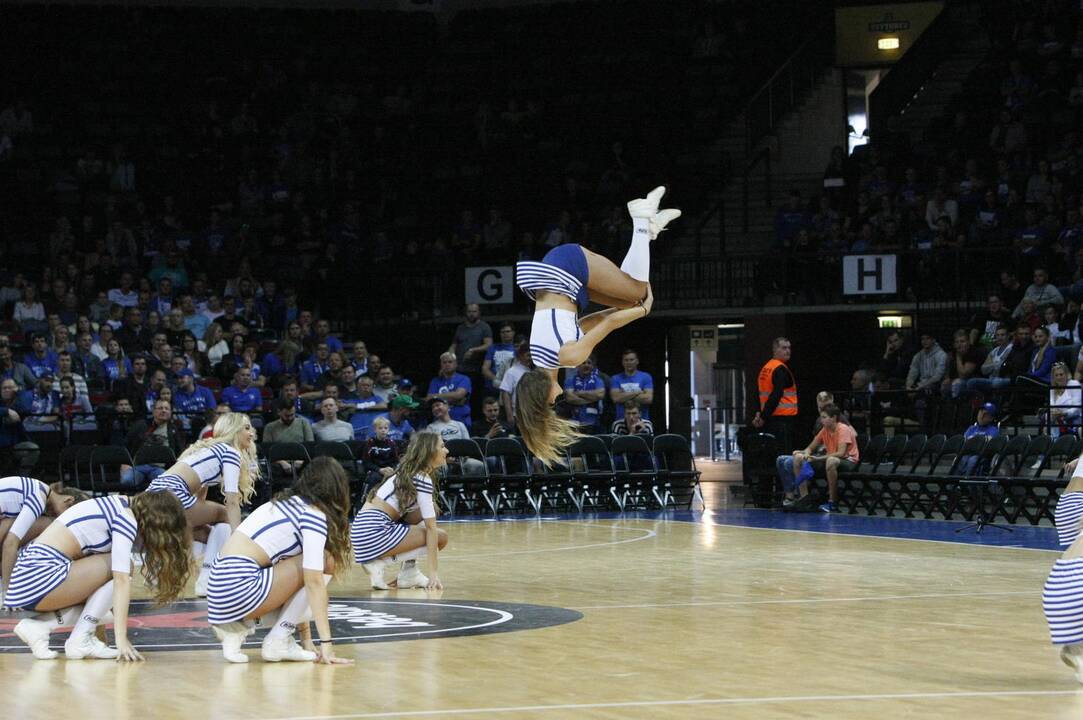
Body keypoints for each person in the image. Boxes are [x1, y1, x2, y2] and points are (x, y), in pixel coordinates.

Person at [512, 187, 679, 465]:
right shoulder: (544, 358)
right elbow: (586, 323)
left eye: (551, 403)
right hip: (561, 274)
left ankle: (640, 220)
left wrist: (643, 311)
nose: (558, 400)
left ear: (545, 393)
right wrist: (631, 309)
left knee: (637, 292)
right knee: (629, 297)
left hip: (568, 268)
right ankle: (648, 230)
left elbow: (611, 323)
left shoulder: (569, 357)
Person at [6, 492, 190, 661]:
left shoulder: (115, 506)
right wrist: (121, 640)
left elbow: (100, 591)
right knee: (124, 567)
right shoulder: (126, 517)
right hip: (38, 576)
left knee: (103, 611)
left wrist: (102, 641)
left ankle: (40, 628)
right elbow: (121, 580)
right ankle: (78, 640)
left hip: (29, 580)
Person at [207, 458, 353, 665]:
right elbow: (313, 582)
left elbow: (296, 581)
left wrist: (306, 640)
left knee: (309, 565)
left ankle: (238, 628)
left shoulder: (284, 504)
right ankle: (277, 640)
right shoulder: (313, 515)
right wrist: (326, 644)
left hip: (219, 597)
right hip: (241, 588)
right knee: (325, 561)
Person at [145, 413, 259, 595]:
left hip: (152, 498)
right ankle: (207, 579)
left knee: (206, 533)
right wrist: (238, 537)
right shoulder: (230, 452)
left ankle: (160, 572)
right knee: (225, 516)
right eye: (246, 428)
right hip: (171, 497)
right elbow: (231, 501)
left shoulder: (209, 449)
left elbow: (199, 498)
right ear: (233, 431)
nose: (252, 433)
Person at [351, 431, 449, 590]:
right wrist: (433, 574)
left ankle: (409, 572)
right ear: (429, 451)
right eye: (442, 446)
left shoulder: (406, 473)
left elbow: (411, 519)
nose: (447, 451)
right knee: (441, 537)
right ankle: (379, 563)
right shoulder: (422, 478)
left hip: (361, 532)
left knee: (429, 511)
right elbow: (431, 529)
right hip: (374, 531)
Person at [0, 478, 88, 606]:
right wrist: (8, 594)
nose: (64, 522)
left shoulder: (39, 491)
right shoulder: (38, 497)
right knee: (47, 524)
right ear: (68, 500)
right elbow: (10, 544)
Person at [781, 405, 859, 512]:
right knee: (798, 457)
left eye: (824, 417)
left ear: (834, 418)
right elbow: (810, 447)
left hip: (848, 460)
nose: (821, 420)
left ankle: (833, 502)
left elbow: (840, 453)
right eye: (821, 417)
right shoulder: (825, 429)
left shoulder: (843, 429)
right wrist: (805, 454)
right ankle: (804, 498)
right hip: (829, 459)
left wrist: (818, 459)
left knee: (831, 461)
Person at [122, 398, 186, 486]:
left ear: (170, 412)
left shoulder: (173, 429)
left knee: (165, 483)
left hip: (159, 468)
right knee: (127, 480)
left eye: (166, 408)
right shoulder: (141, 425)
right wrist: (125, 464)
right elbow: (127, 444)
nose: (163, 410)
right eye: (160, 408)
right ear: (153, 411)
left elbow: (180, 451)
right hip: (138, 467)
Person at [752, 337, 799, 453]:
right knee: (784, 455)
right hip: (782, 420)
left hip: (770, 418)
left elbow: (758, 394)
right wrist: (762, 417)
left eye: (789, 348)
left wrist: (760, 414)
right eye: (784, 348)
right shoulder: (780, 369)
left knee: (773, 454)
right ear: (775, 350)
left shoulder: (766, 368)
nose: (788, 351)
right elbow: (776, 395)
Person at [425, 352, 473, 429]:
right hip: (440, 423)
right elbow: (429, 398)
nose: (447, 364)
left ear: (456, 364)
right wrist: (455, 399)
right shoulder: (435, 381)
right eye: (444, 362)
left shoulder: (464, 379)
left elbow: (459, 395)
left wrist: (437, 397)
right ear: (441, 365)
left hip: (461, 421)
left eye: (450, 362)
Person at [563, 356, 606, 433]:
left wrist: (579, 393)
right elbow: (570, 398)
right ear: (578, 366)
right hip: (574, 422)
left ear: (592, 366)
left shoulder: (598, 380)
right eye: (583, 363)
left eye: (589, 363)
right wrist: (591, 398)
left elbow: (600, 395)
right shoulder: (570, 380)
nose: (586, 365)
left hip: (593, 423)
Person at [609, 349, 654, 422]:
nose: (629, 362)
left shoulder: (646, 377)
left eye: (631, 360)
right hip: (621, 421)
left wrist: (624, 395)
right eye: (626, 360)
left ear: (637, 361)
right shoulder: (615, 378)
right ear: (622, 362)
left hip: (642, 420)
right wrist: (637, 392)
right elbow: (616, 398)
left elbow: (648, 399)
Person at [1047, 362, 1082, 437]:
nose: (1059, 377)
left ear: (1066, 374)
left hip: (1074, 418)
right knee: (1047, 418)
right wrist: (1054, 413)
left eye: (1061, 374)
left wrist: (1064, 413)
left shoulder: (1073, 384)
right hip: (1057, 419)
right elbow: (1052, 407)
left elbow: (1077, 409)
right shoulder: (1052, 390)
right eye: (1056, 375)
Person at [481, 322, 516, 394]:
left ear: (513, 333)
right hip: (493, 388)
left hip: (512, 388)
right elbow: (485, 369)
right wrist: (497, 380)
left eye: (508, 331)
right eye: (502, 332)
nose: (505, 334)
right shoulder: (492, 348)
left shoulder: (517, 349)